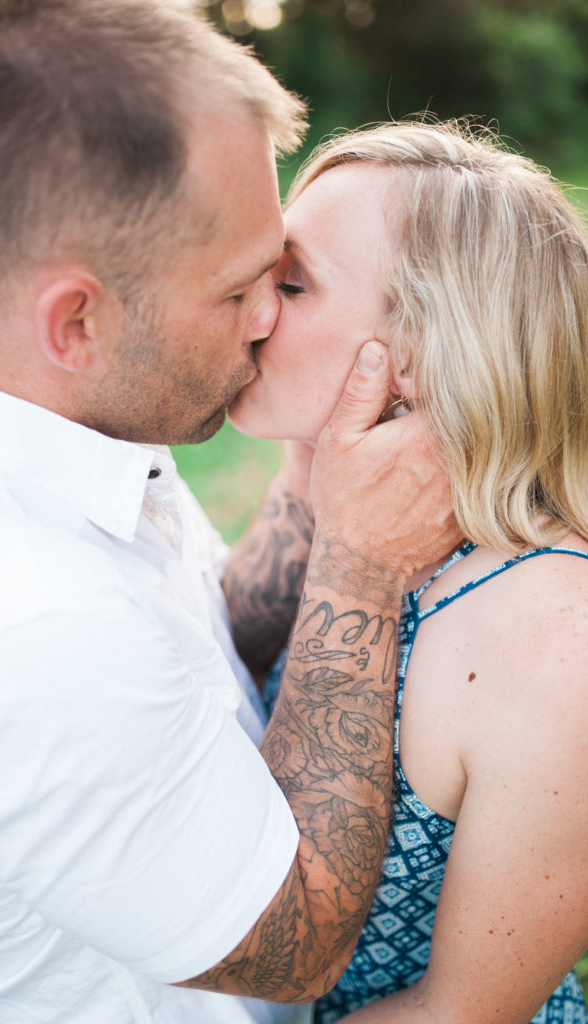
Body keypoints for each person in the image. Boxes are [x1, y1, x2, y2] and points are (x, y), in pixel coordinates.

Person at [0, 4, 457, 1024]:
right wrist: (361, 567)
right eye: (240, 290)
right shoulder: (21, 632)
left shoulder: (40, 411)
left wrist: (316, 461)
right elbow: (295, 946)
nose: (268, 318)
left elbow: (210, 641)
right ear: (78, 319)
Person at [229, 118, 588, 1024]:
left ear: (422, 353)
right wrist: (310, 477)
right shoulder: (371, 516)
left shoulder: (554, 644)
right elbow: (233, 646)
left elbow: (461, 1014)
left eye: (292, 282)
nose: (248, 304)